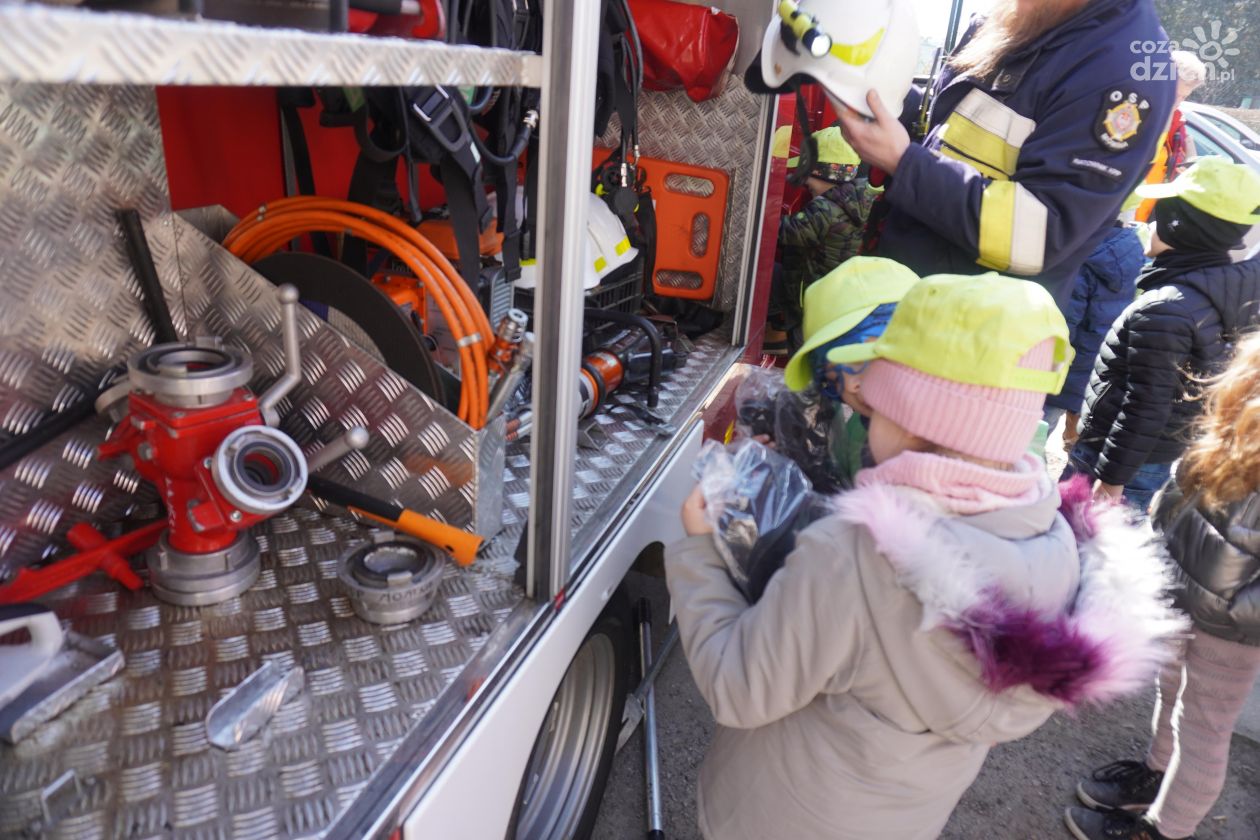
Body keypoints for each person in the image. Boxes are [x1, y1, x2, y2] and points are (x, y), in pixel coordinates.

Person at [667, 273, 1182, 840]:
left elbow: (738, 688)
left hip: (779, 814)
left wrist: (700, 550)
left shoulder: (854, 555)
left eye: (879, 404)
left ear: (910, 421)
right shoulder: (1057, 543)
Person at [835, 0, 1176, 308]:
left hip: (972, 330)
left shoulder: (1132, 66)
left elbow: (1038, 234)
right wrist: (882, 102)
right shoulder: (1016, 14)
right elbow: (951, 130)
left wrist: (904, 162)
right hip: (908, 288)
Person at [1065, 330, 1260, 840]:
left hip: (1231, 628)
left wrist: (1238, 610)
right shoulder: (1237, 427)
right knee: (1170, 688)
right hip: (1188, 593)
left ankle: (1164, 830)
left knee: (1204, 730)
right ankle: (1156, 774)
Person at [1069, 157, 1260, 511]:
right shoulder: (1225, 290)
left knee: (1079, 539)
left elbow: (1144, 406)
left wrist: (1110, 482)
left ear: (1179, 227)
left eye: (1159, 215)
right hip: (1153, 457)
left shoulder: (1166, 307)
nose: (1150, 223)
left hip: (1116, 462)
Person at [780, 256, 918, 484]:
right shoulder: (858, 431)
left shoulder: (952, 442)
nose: (851, 385)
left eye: (861, 358)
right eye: (833, 380)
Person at [768, 127, 879, 354]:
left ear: (823, 173)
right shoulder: (861, 198)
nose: (803, 181)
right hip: (834, 297)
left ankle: (789, 348)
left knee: (766, 277)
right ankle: (778, 333)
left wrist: (759, 216)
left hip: (810, 299)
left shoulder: (824, 209)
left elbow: (784, 232)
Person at [1044, 223, 1146, 443]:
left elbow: (1066, 321)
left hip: (1062, 366)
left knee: (1034, 434)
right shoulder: (1130, 247)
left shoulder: (1084, 254)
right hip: (1093, 362)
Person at [1134, 50, 1207, 223]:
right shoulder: (1133, 115)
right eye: (1174, 94)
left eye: (1184, 96)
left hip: (1144, 222)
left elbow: (1183, 164)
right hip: (1113, 217)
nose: (1178, 102)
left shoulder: (1177, 125)